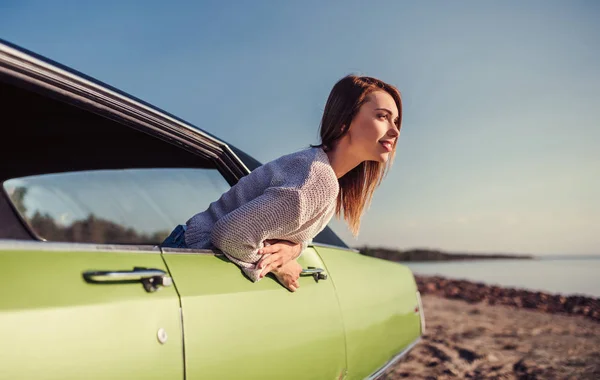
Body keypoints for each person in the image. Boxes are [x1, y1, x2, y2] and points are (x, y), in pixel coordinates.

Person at [161, 74, 402, 292]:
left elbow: (297, 230)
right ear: (344, 121)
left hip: (193, 257)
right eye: (383, 116)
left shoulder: (324, 176)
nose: (395, 131)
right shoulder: (316, 179)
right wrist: (279, 267)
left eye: (396, 121)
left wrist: (294, 249)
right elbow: (230, 235)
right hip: (191, 255)